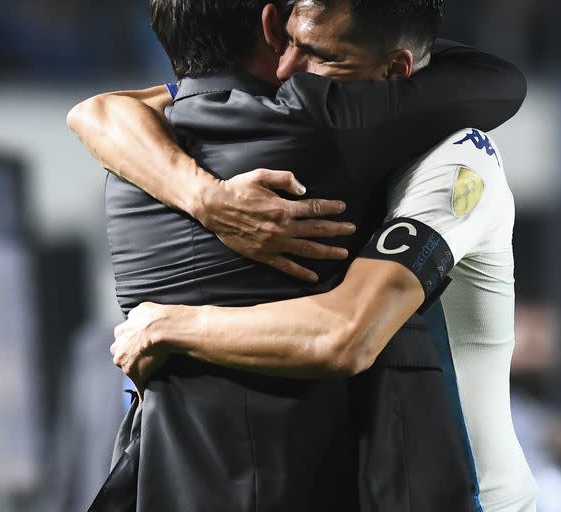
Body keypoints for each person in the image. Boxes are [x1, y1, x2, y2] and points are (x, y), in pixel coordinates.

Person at [68, 0, 527, 510]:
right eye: (290, 44)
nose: (292, 72)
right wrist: (208, 198)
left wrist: (169, 327)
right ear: (271, 26)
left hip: (478, 495)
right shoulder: (308, 122)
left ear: (394, 70)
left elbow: (346, 334)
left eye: (316, 55)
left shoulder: (456, 154)